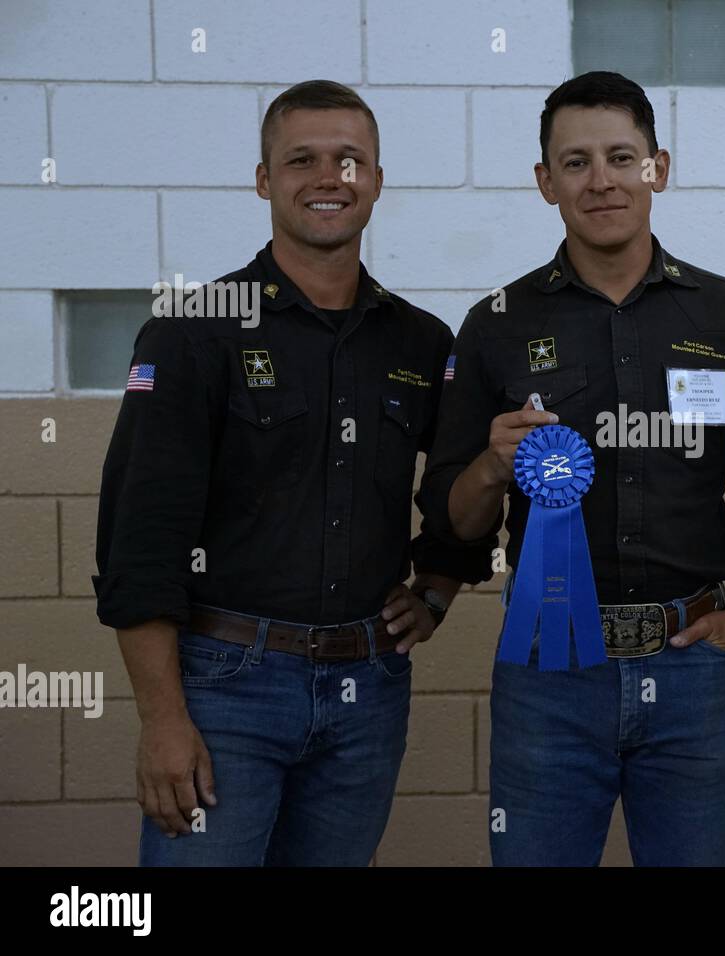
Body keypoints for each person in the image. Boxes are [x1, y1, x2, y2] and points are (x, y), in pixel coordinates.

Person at [422, 71, 725, 866]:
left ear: (657, 169)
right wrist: (494, 469)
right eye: (575, 162)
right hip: (548, 673)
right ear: (545, 182)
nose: (600, 180)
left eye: (620, 157)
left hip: (694, 669)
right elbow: (451, 521)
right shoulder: (495, 325)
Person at [94, 80, 480, 866]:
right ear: (264, 178)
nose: (328, 177)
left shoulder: (422, 341)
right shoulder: (192, 331)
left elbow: (456, 492)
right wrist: (163, 719)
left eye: (350, 160)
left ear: (377, 180)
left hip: (368, 692)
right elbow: (140, 537)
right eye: (301, 159)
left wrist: (439, 585)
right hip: (226, 688)